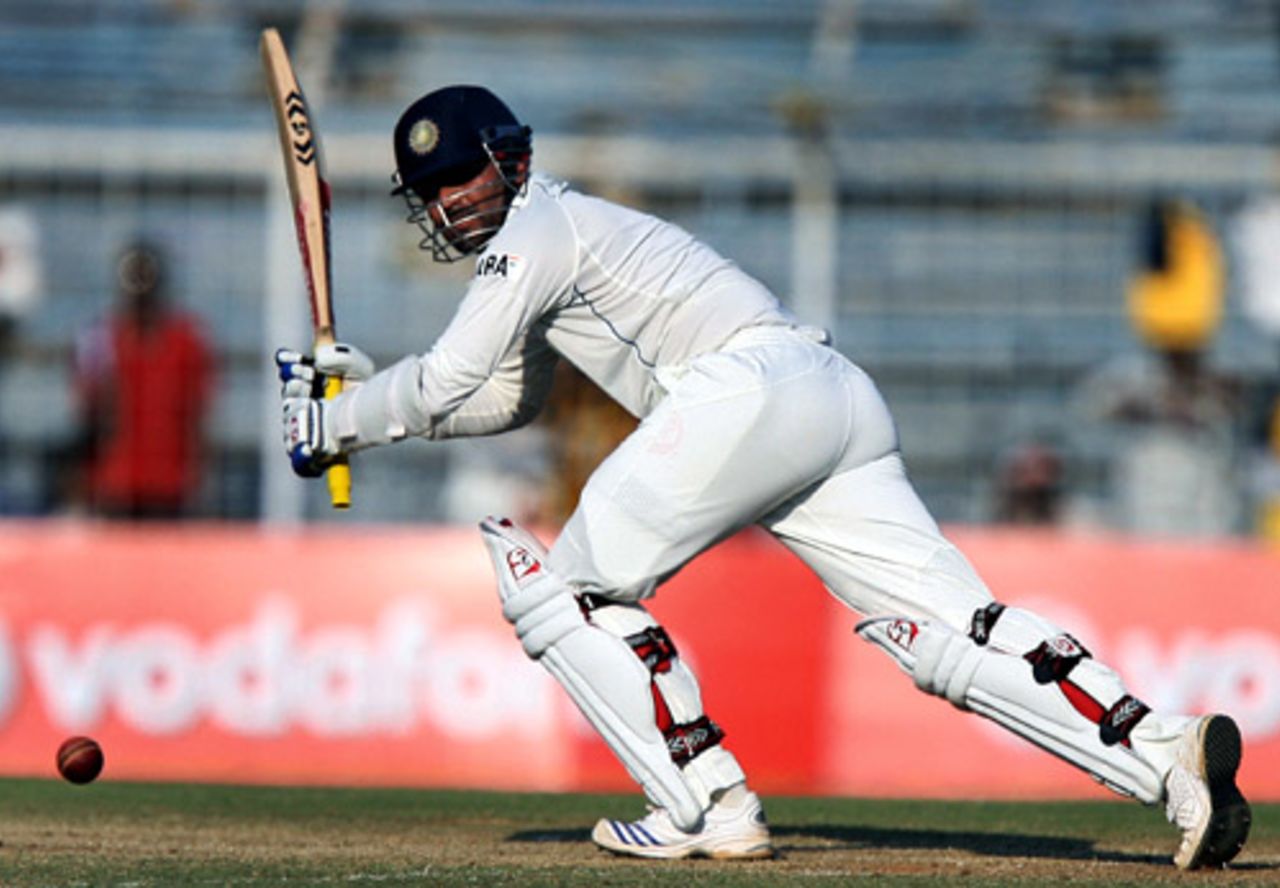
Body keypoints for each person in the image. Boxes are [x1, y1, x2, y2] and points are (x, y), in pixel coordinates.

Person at [274, 86, 1250, 868]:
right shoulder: (552, 242)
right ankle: (1164, 753)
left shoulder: (535, 231)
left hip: (740, 392)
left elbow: (444, 379)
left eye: (459, 176)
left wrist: (331, 419)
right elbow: (502, 399)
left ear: (510, 159)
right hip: (825, 395)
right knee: (951, 632)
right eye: (430, 191)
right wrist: (356, 422)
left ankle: (702, 802)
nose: (448, 202)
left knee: (567, 595)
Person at [70, 240, 212, 519]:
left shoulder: (187, 341)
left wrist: (198, 478)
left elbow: (197, 415)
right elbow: (87, 415)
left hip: (170, 484)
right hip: (114, 483)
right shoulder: (100, 339)